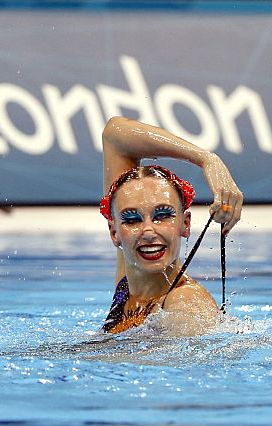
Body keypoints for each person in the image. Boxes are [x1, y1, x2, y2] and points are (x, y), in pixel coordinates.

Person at [99, 116, 243, 335]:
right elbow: (114, 134)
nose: (148, 231)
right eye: (131, 220)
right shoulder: (131, 280)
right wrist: (205, 158)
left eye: (162, 215)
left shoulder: (185, 303)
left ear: (185, 224)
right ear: (115, 233)